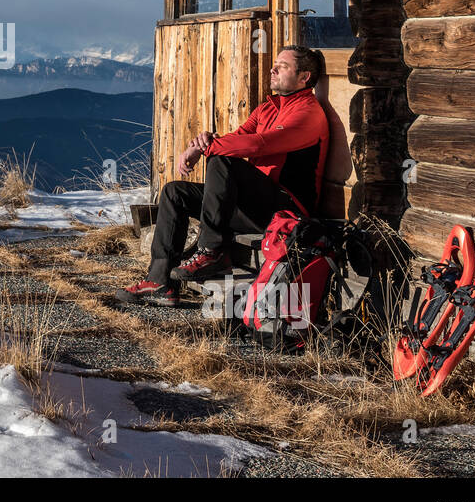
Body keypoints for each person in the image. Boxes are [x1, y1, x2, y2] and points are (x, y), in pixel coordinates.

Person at [117, 45, 329, 307]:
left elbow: (260, 145)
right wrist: (201, 144)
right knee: (175, 192)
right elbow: (239, 137)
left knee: (223, 161)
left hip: (287, 211)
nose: (273, 69)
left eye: (282, 66)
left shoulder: (308, 113)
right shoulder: (267, 109)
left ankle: (212, 252)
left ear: (304, 77)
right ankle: (160, 281)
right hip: (255, 206)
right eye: (275, 64)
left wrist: (205, 149)